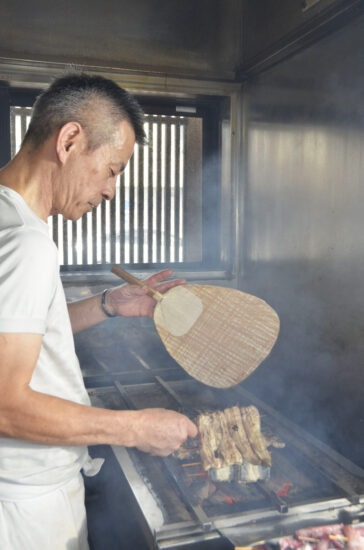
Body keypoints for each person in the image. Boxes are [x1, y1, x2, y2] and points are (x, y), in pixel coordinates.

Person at [0, 73, 197, 550]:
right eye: (112, 169)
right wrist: (133, 428)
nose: (111, 191)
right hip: (26, 508)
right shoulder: (28, 244)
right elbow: (5, 404)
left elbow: (20, 339)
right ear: (70, 140)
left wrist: (110, 303)